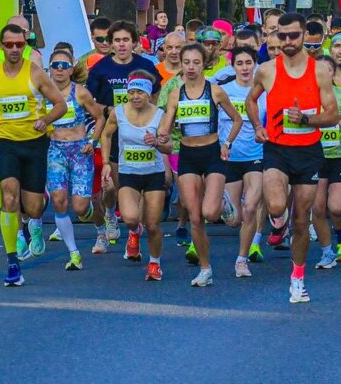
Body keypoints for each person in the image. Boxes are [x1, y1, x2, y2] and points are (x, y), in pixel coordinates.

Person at [247, 12, 339, 302]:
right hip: (277, 148)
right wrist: (258, 126)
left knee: (301, 220)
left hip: (309, 151)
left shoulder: (319, 71)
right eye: (282, 36)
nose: (288, 41)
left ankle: (297, 278)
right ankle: (278, 221)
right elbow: (251, 100)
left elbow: (333, 115)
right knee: (276, 206)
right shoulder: (267, 70)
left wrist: (307, 120)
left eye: (294, 35)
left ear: (304, 35)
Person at [0, 24, 67, 286]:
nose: (15, 49)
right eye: (9, 45)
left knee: (33, 206)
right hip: (7, 144)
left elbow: (60, 105)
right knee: (8, 196)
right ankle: (13, 262)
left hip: (35, 144)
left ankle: (35, 219)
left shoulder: (35, 73)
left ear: (25, 46)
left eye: (19, 44)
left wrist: (45, 120)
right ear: (1, 47)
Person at [158, 43, 241, 285]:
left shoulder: (215, 91)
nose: (191, 67)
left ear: (204, 64)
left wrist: (227, 143)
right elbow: (165, 126)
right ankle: (205, 269)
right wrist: (161, 136)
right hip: (187, 155)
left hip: (212, 153)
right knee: (195, 218)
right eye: (187, 62)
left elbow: (236, 119)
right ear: (181, 65)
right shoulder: (176, 93)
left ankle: (223, 200)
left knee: (210, 213)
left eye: (196, 62)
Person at [87, 21, 161, 244]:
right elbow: (90, 102)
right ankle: (110, 213)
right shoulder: (100, 69)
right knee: (113, 185)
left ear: (134, 43)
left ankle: (133, 231)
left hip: (140, 133)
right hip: (113, 132)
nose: (121, 45)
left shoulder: (146, 65)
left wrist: (148, 115)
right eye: (117, 40)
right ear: (111, 44)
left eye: (126, 40)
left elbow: (156, 94)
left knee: (140, 184)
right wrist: (110, 110)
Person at [100, 73, 173, 281]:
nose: (134, 96)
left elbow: (169, 147)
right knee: (130, 218)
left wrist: (157, 143)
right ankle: (134, 232)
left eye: (139, 92)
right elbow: (106, 135)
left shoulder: (160, 115)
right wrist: (106, 163)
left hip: (153, 174)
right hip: (128, 173)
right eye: (131, 92)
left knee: (153, 224)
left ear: (148, 94)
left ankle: (154, 264)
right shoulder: (118, 112)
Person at [45, 48, 105, 268]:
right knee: (58, 200)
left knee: (80, 208)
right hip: (56, 151)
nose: (59, 70)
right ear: (49, 69)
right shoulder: (43, 93)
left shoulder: (80, 93)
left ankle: (101, 226)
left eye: (64, 66)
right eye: (55, 65)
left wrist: (93, 141)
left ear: (71, 70)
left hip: (80, 151)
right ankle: (74, 253)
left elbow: (100, 117)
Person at [220, 46, 267, 277]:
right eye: (240, 63)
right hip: (230, 157)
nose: (245, 68)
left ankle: (241, 260)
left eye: (249, 63)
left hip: (255, 156)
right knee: (234, 219)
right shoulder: (223, 92)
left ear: (255, 65)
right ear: (233, 66)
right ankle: (222, 202)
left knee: (250, 209)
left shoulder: (263, 93)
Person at [311, 42, 341, 269]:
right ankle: (327, 251)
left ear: (333, 73)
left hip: (340, 156)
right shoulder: (306, 96)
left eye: (326, 71)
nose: (322, 75)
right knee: (318, 208)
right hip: (314, 157)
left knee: (337, 207)